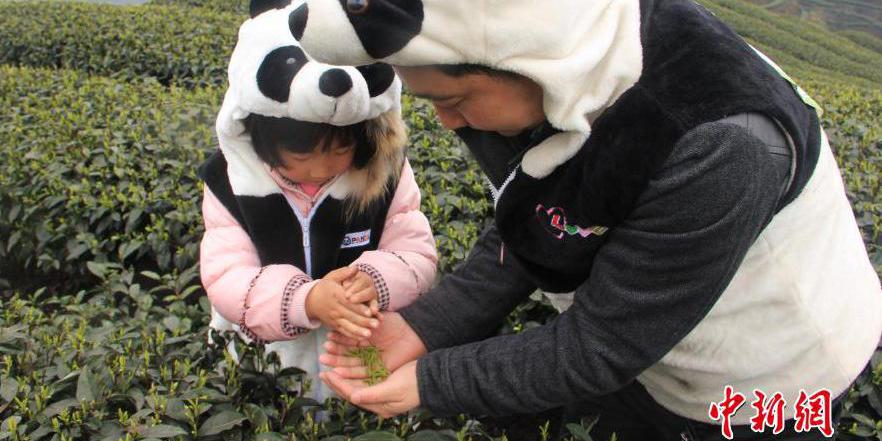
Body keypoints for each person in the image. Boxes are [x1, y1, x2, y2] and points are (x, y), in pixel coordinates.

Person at [198, 3, 437, 403]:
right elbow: (226, 276)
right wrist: (303, 301)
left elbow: (416, 253)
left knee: (357, 417)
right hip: (265, 357)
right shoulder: (230, 184)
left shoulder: (385, 173)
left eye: (340, 150)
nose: (321, 170)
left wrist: (375, 280)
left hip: (359, 345)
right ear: (259, 141)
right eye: (302, 160)